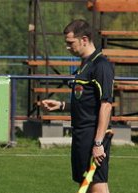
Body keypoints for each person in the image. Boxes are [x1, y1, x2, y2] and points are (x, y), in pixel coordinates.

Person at [41, 19, 114, 193]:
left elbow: (106, 105)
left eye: (70, 43)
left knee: (97, 185)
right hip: (81, 134)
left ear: (85, 40)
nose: (68, 47)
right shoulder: (84, 65)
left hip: (92, 135)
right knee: (87, 184)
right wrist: (61, 105)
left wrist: (98, 143)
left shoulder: (101, 65)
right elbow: (85, 102)